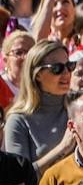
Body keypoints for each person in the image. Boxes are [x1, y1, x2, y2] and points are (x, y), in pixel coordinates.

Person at [3, 40, 75, 173]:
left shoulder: (78, 109)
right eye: (57, 68)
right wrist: (63, 148)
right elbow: (19, 178)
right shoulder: (18, 121)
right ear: (37, 75)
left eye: (70, 66)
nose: (66, 73)